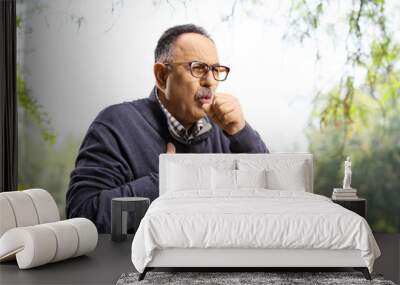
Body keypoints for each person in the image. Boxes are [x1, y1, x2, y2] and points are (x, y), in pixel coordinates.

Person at [66, 24, 269, 233]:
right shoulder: (116, 124)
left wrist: (242, 132)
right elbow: (82, 215)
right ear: (162, 76)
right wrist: (169, 181)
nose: (209, 80)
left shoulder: (227, 132)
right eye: (198, 68)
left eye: (216, 70)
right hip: (141, 264)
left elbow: (273, 198)